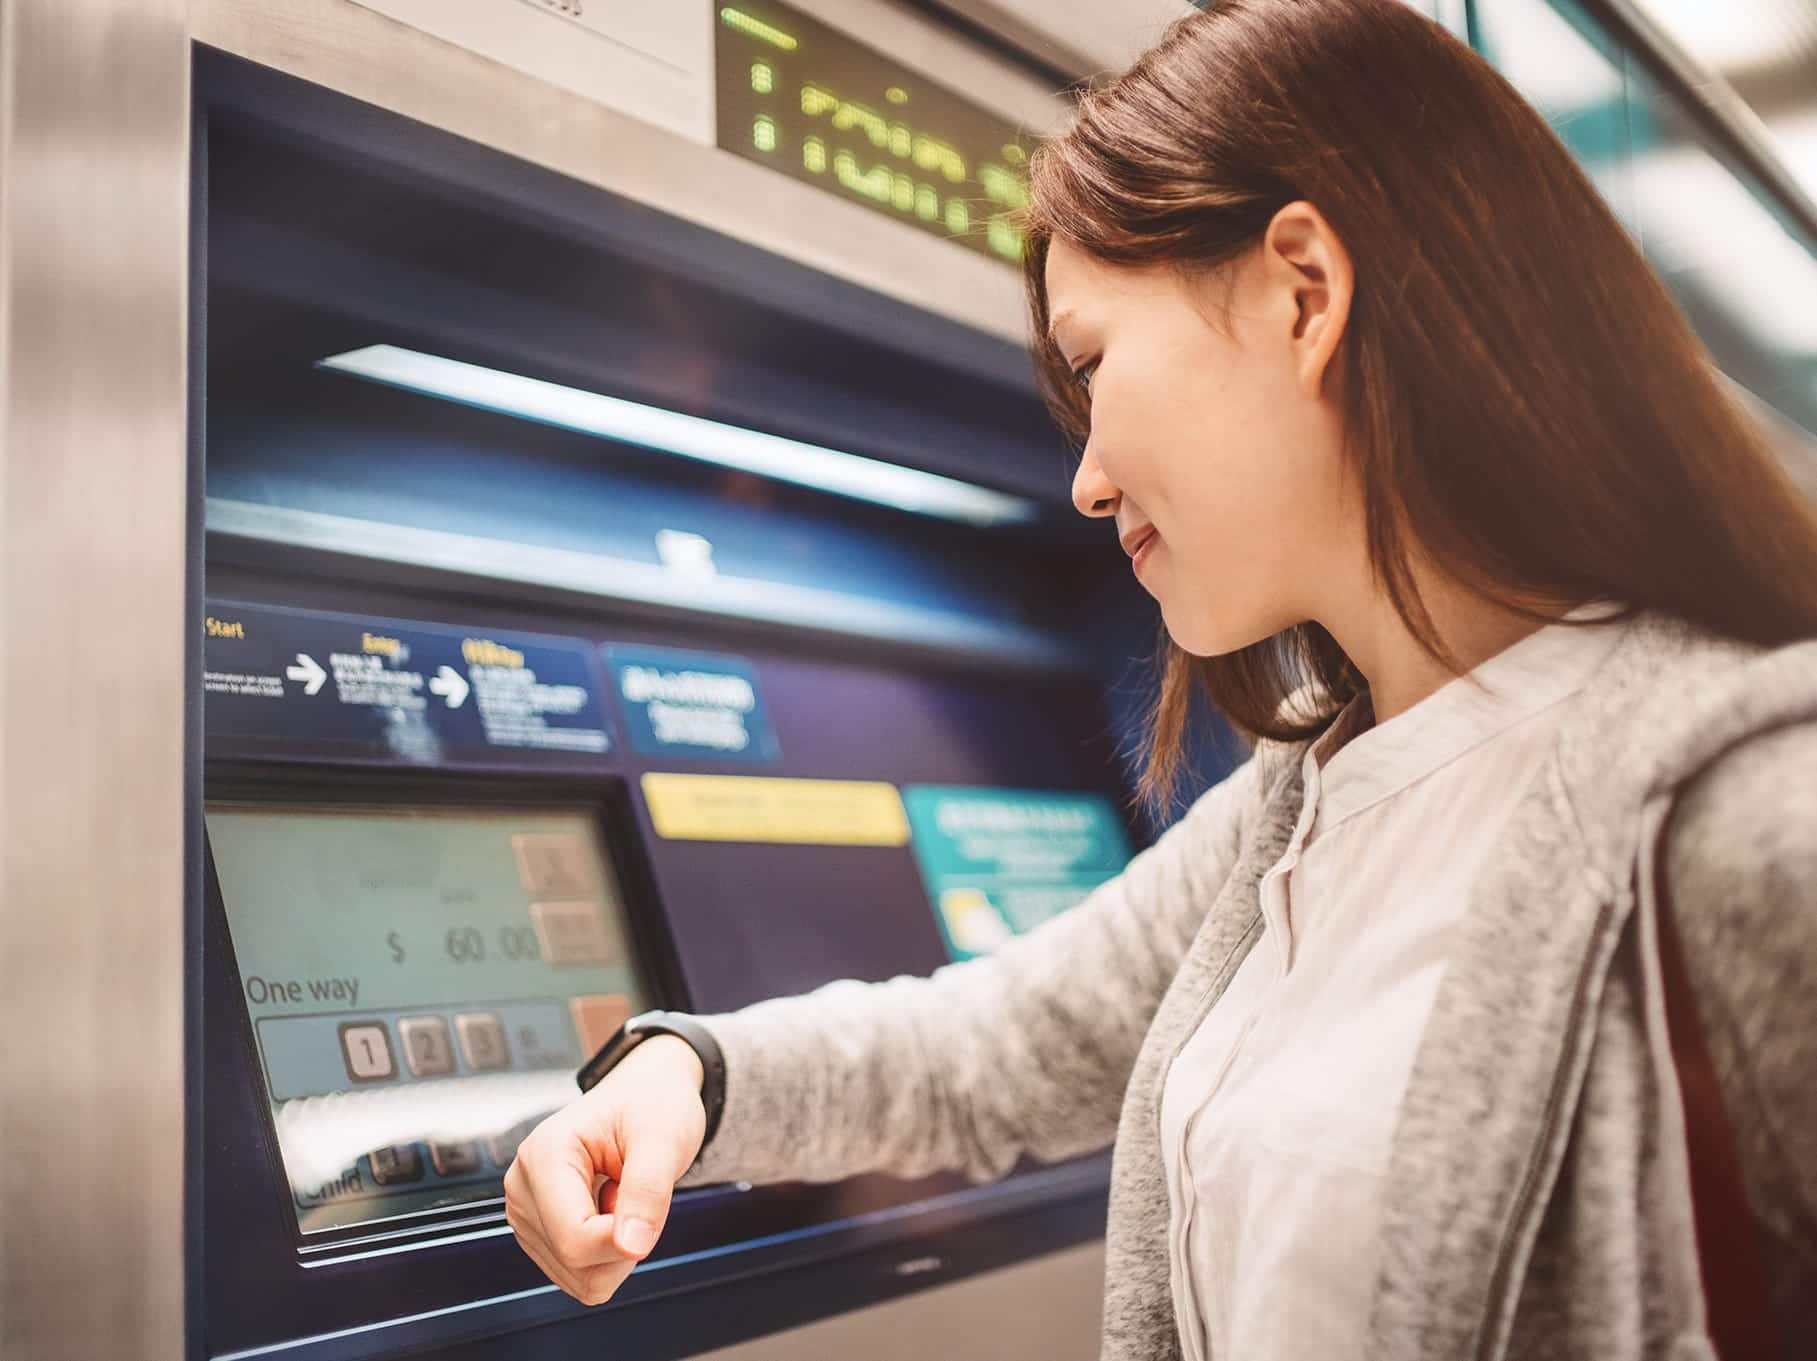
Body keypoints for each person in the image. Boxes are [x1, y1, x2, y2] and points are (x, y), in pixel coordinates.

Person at [503, 1, 1817, 1355]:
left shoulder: (1749, 818)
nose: (1084, 479)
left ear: (1303, 292)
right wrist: (684, 1077)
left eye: (1092, 365)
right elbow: (985, 1050)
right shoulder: (1297, 811)